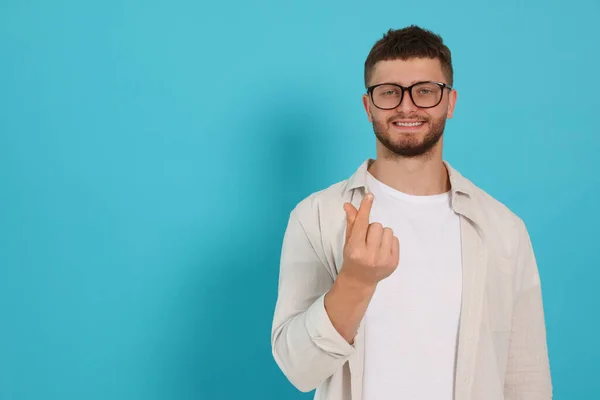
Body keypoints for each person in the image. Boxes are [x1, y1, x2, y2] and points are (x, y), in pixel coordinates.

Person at [270, 25, 552, 400]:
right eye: (389, 93)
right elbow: (298, 369)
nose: (407, 106)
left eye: (425, 91)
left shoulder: (503, 228)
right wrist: (355, 282)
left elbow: (526, 379)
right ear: (368, 106)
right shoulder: (317, 217)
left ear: (449, 103)